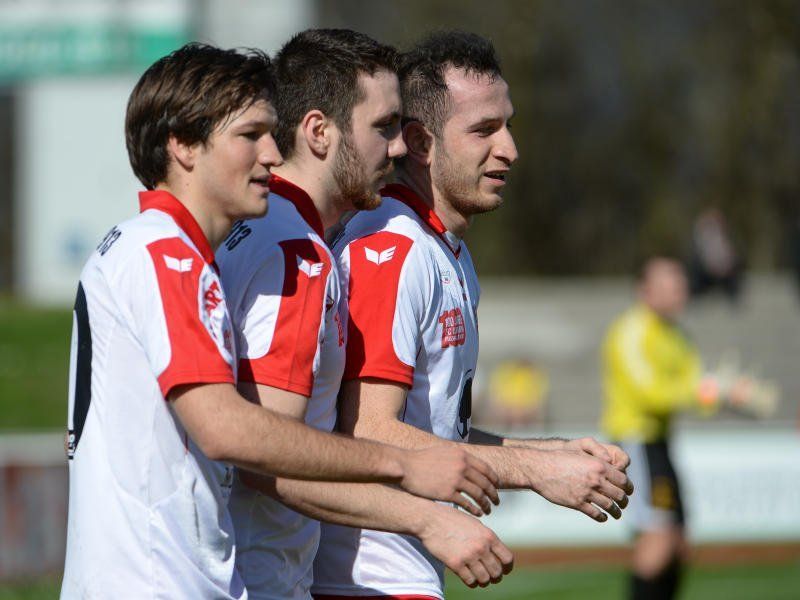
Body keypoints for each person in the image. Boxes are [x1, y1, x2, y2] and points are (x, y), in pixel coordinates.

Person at [61, 42, 502, 599]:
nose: (273, 152)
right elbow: (238, 434)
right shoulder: (214, 254)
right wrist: (408, 475)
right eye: (250, 136)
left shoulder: (148, 246)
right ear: (182, 146)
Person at [312, 31, 634, 600]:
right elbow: (367, 428)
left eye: (507, 124)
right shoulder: (392, 248)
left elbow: (432, 429)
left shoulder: (447, 251)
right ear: (419, 142)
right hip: (365, 579)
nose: (509, 148)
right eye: (484, 130)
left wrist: (547, 454)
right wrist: (534, 473)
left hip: (401, 571)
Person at [215, 29, 512, 599]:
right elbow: (263, 452)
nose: (399, 147)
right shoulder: (294, 252)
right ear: (319, 132)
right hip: (259, 579)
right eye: (383, 127)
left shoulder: (274, 234)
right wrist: (424, 512)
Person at [601, 256, 761, 600]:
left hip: (661, 443)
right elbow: (650, 393)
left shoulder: (677, 336)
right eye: (670, 285)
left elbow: (698, 390)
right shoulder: (631, 331)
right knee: (657, 540)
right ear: (645, 290)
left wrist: (731, 394)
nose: (680, 291)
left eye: (681, 284)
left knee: (679, 544)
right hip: (635, 443)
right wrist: (711, 390)